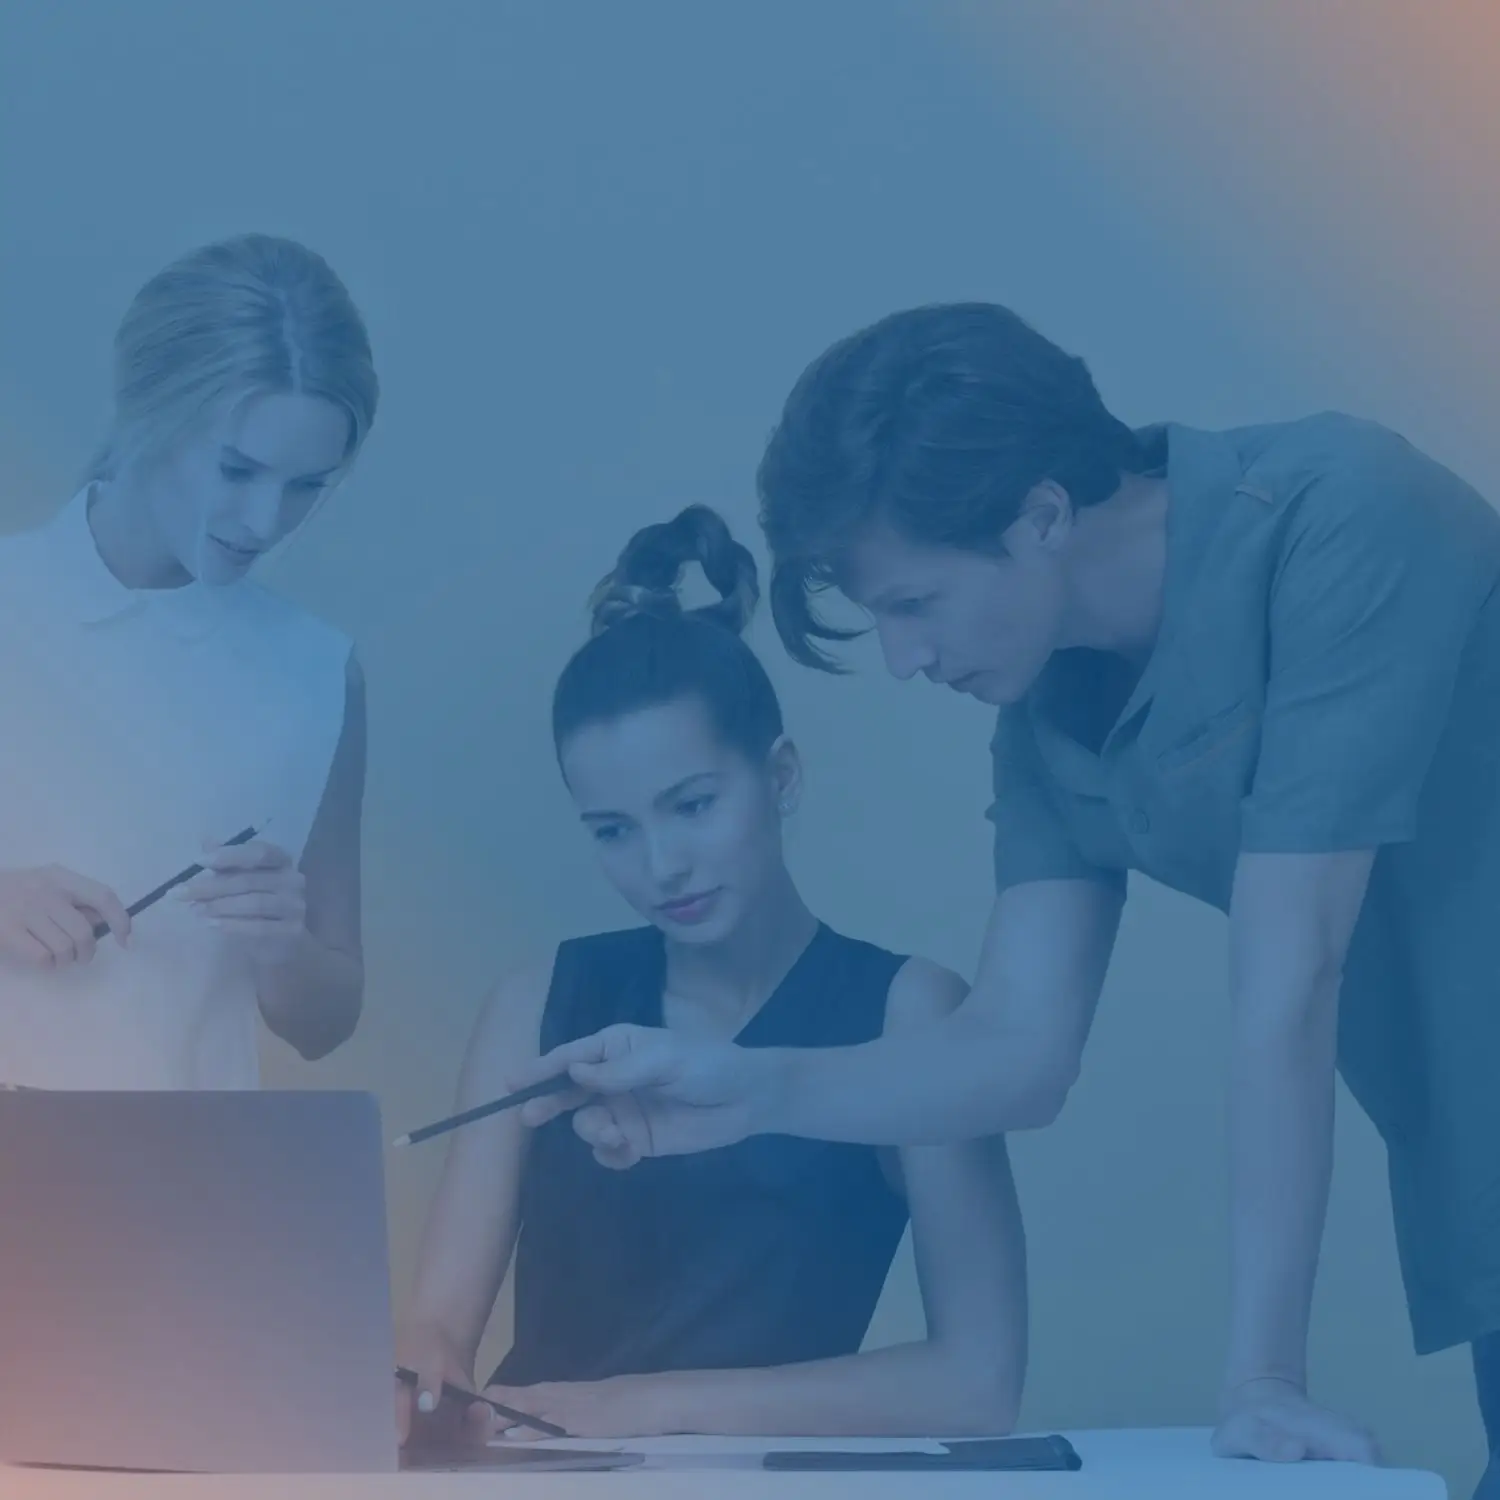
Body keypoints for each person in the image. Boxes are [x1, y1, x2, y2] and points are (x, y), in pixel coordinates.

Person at [511, 302, 1500, 1492]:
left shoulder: (1343, 514)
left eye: (913, 604)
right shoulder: (1043, 699)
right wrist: (745, 1087)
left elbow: (1293, 975)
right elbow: (1017, 1052)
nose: (903, 660)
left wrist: (1262, 1382)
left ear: (1041, 516)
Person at [396, 505, 1026, 1446]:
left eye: (691, 805)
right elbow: (439, 1325)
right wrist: (420, 1372)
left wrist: (637, 1410)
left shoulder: (911, 1015)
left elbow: (978, 1384)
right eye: (613, 830)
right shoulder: (540, 1003)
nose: (662, 865)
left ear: (779, 777)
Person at [0, 233, 377, 1088]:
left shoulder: (318, 675)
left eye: (306, 485)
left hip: (182, 1190)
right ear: (148, 410)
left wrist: (283, 947)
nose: (265, 517)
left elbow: (325, 1023)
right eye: (237, 469)